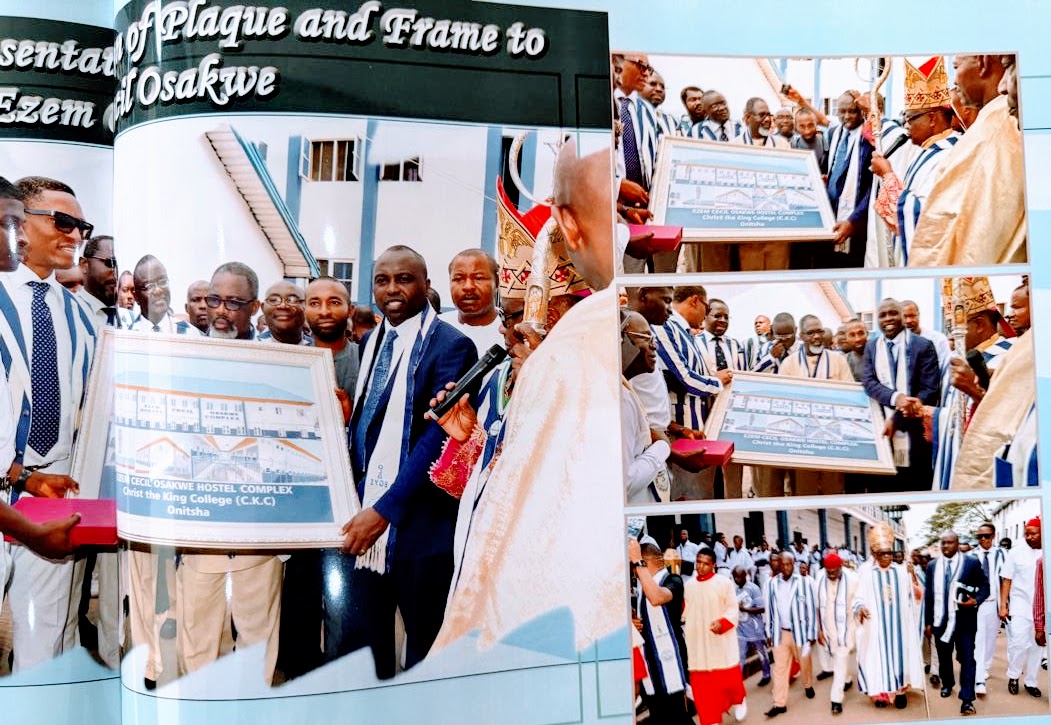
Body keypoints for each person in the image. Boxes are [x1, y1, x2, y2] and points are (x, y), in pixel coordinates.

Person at [432, 142, 624, 655]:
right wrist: (467, 437)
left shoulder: (585, 372)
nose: (520, 331)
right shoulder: (505, 377)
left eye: (534, 316)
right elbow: (478, 484)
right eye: (512, 317)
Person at [330, 246, 477, 678]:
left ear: (426, 285)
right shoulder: (372, 339)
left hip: (420, 531)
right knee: (367, 654)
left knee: (423, 657)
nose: (392, 289)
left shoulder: (452, 346)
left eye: (404, 279)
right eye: (382, 280)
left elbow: (436, 438)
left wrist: (384, 511)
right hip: (364, 527)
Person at [0, 176, 97, 674]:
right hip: (6, 483)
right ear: (19, 222)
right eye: (62, 222)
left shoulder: (83, 317)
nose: (74, 235)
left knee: (47, 645)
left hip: (53, 490)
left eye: (80, 225)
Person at [176, 262, 283, 684]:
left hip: (259, 536)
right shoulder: (181, 364)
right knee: (198, 642)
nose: (221, 311)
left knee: (257, 644)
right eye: (213, 300)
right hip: (200, 535)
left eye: (234, 303)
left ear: (254, 307)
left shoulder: (282, 367)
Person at [910, 55, 1025, 266]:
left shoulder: (999, 128)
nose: (954, 80)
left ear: (982, 63)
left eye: (956, 66)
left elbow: (979, 239)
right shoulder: (990, 123)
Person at [927, 278, 1015, 490]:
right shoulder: (958, 358)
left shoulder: (1011, 355)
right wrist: (934, 416)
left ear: (980, 325)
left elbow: (1010, 419)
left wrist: (974, 391)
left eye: (955, 325)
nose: (950, 334)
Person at [871, 58, 959, 267]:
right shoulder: (929, 149)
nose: (906, 125)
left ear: (931, 118)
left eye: (911, 118)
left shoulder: (948, 156)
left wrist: (888, 176)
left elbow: (922, 218)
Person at [651, 286, 722, 499]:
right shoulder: (666, 326)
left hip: (692, 431)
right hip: (675, 432)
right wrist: (719, 382)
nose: (706, 314)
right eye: (707, 308)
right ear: (694, 301)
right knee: (676, 498)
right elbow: (684, 378)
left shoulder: (686, 332)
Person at [861, 299, 940, 491]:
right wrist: (897, 398)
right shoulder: (872, 347)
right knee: (885, 487)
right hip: (882, 431)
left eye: (893, 313)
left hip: (916, 431)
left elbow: (930, 389)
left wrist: (897, 418)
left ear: (902, 317)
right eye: (882, 315)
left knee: (915, 484)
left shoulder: (922, 345)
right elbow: (869, 382)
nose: (888, 318)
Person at [852, 523, 924, 709]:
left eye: (889, 553)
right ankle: (881, 693)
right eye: (882, 553)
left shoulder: (900, 572)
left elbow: (914, 596)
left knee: (900, 658)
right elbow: (858, 597)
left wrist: (913, 576)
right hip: (876, 627)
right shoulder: (867, 573)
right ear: (875, 555)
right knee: (877, 660)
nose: (886, 557)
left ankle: (900, 692)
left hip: (898, 627)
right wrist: (860, 608)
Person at [924, 530, 988, 716]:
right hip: (940, 621)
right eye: (943, 543)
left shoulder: (971, 563)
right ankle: (948, 683)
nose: (945, 546)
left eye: (949, 543)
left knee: (968, 659)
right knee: (944, 658)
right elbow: (929, 595)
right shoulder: (932, 566)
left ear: (957, 543)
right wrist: (928, 622)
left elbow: (985, 586)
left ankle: (967, 699)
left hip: (965, 623)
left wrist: (975, 600)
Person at [684, 548, 748, 725]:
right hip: (698, 644)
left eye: (706, 563)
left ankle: (739, 700)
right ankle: (710, 719)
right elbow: (685, 610)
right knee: (702, 687)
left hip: (720, 641)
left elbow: (732, 609)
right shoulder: (688, 585)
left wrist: (723, 623)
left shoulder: (723, 583)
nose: (701, 567)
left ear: (714, 565)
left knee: (728, 681)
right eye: (698, 562)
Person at [630, 539, 691, 724]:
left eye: (634, 566)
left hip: (670, 664)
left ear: (645, 562)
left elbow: (657, 598)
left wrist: (637, 562)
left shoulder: (673, 580)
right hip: (652, 666)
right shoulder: (643, 588)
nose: (633, 571)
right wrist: (635, 622)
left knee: (678, 718)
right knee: (661, 718)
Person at [694, 299, 744, 498]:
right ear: (705, 316)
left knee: (733, 468)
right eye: (717, 316)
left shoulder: (736, 346)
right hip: (704, 414)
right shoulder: (695, 343)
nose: (722, 320)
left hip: (731, 416)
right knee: (706, 470)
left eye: (726, 317)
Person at [622, 310, 670, 504]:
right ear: (621, 339)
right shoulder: (622, 400)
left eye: (653, 338)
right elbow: (625, 483)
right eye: (645, 338)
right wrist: (662, 447)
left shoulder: (625, 392)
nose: (654, 346)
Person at [764, 549, 817, 718]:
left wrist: (811, 633)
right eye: (782, 564)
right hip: (781, 633)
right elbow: (769, 609)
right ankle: (779, 703)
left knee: (804, 662)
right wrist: (769, 632)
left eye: (788, 564)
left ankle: (807, 684)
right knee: (779, 669)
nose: (785, 567)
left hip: (800, 633)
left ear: (793, 564)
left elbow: (811, 609)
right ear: (777, 565)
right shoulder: (771, 584)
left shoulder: (804, 583)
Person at [824, 91, 874, 268]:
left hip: (856, 222)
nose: (846, 116)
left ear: (861, 111)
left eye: (852, 111)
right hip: (831, 218)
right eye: (842, 111)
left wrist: (853, 221)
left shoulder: (870, 138)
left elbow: (873, 188)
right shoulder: (835, 133)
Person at [999, 518, 1043, 698]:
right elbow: (1006, 580)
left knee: (1037, 646)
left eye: (1033, 533)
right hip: (1020, 606)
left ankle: (1031, 681)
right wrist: (1003, 605)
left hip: (1041, 610)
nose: (1029, 537)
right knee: (1018, 643)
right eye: (1027, 533)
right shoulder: (1015, 552)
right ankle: (1014, 675)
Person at [305, 276, 360, 406]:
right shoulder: (295, 361)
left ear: (350, 310)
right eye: (314, 303)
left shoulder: (368, 359)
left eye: (334, 302)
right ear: (305, 310)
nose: (324, 312)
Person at [815, 552, 857, 715]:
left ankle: (836, 699)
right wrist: (819, 629)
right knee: (836, 657)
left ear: (841, 567)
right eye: (828, 572)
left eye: (834, 571)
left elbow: (859, 602)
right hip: (828, 628)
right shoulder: (819, 578)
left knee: (840, 658)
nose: (831, 575)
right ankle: (847, 679)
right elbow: (818, 606)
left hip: (846, 628)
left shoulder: (853, 579)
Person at [438, 249, 502, 355]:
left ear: (497, 281)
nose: (468, 287)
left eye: (479, 278)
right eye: (459, 279)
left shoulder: (512, 332)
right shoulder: (434, 329)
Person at [973, 522, 1006, 695]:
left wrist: (1004, 605)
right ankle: (978, 679)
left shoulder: (1002, 554)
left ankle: (985, 666)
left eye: (986, 536)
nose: (983, 539)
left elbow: (1006, 581)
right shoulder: (972, 555)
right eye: (979, 536)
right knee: (979, 640)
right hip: (977, 605)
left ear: (993, 536)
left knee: (990, 639)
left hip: (994, 603)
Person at [129, 255, 201, 334]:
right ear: (136, 297)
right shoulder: (126, 336)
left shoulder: (191, 334)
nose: (158, 290)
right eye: (149, 286)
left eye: (163, 282)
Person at [733, 565, 770, 686]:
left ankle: (766, 674)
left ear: (745, 576)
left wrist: (744, 609)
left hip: (755, 629)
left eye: (740, 577)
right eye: (735, 577)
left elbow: (762, 608)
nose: (738, 580)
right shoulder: (733, 589)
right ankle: (737, 684)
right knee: (740, 657)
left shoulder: (753, 588)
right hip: (741, 630)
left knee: (762, 654)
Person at [75, 235, 119, 329]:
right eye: (111, 262)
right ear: (84, 265)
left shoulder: (130, 320)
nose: (116, 271)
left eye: (120, 264)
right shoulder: (69, 311)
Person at [901, 299, 950, 372]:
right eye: (904, 317)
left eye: (912, 316)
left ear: (918, 315)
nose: (909, 320)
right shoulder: (895, 343)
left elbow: (946, 369)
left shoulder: (938, 339)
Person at [258, 280, 310, 345]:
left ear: (306, 306)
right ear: (263, 308)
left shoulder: (320, 349)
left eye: (292, 300)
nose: (283, 306)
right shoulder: (250, 347)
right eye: (274, 300)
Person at [641, 70, 679, 137]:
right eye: (653, 84)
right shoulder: (628, 113)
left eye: (663, 87)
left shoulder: (671, 121)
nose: (659, 89)